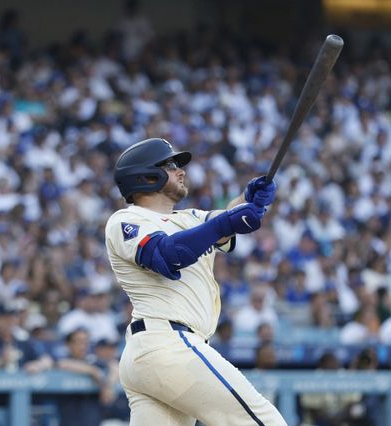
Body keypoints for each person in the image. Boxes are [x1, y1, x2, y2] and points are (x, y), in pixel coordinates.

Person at [105, 138, 286, 425]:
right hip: (165, 344)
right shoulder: (126, 219)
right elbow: (167, 255)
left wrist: (249, 199)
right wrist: (226, 222)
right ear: (147, 176)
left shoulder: (189, 218)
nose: (181, 171)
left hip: (158, 353)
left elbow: (224, 221)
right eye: (170, 165)